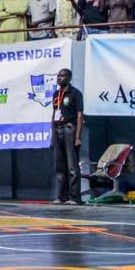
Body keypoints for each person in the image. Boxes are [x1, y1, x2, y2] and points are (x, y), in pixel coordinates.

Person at [51, 68, 84, 206]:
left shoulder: (75, 93)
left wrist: (77, 137)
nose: (59, 78)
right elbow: (54, 113)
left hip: (70, 130)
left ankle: (74, 197)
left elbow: (80, 115)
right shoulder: (56, 94)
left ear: (69, 77)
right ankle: (61, 197)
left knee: (72, 166)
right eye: (58, 75)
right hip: (58, 130)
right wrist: (52, 134)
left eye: (62, 76)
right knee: (59, 166)